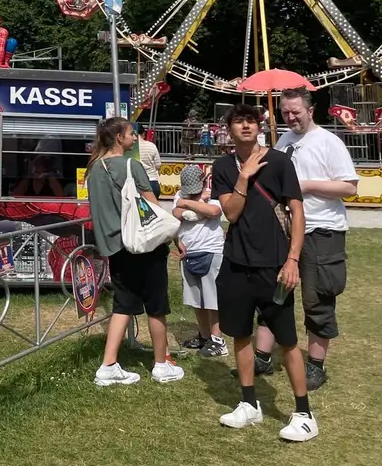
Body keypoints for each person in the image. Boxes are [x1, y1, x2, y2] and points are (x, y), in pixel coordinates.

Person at [211, 104, 317, 442]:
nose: (245, 126)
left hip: (274, 264)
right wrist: (243, 176)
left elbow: (297, 212)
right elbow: (230, 212)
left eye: (251, 121)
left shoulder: (281, 162)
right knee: (240, 334)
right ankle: (248, 403)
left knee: (286, 339)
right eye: (238, 121)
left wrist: (292, 260)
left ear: (260, 126)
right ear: (228, 128)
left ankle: (304, 413)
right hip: (236, 263)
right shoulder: (224, 166)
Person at [250, 89, 359, 391]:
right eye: (285, 112)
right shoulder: (284, 142)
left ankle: (315, 365)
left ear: (310, 111)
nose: (290, 117)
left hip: (321, 229)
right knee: (275, 292)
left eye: (296, 111)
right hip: (284, 229)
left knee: (318, 296)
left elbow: (349, 187)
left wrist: (306, 185)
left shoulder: (328, 142)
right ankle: (262, 356)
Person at [84, 116, 183, 387]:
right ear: (119, 138)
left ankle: (108, 364)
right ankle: (161, 364)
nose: (134, 137)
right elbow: (152, 208)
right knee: (156, 305)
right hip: (144, 244)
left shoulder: (93, 170)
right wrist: (174, 237)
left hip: (115, 247)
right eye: (131, 133)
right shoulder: (132, 165)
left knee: (123, 305)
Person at [172, 162, 227, 357]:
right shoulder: (179, 196)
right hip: (189, 253)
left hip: (211, 251)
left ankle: (218, 340)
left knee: (212, 300)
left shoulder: (214, 195)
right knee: (196, 299)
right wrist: (195, 208)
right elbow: (175, 215)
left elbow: (213, 212)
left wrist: (187, 206)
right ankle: (204, 336)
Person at [131, 128, 163, 196]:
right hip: (152, 181)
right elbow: (158, 166)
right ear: (143, 134)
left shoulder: (130, 147)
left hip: (136, 183)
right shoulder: (152, 146)